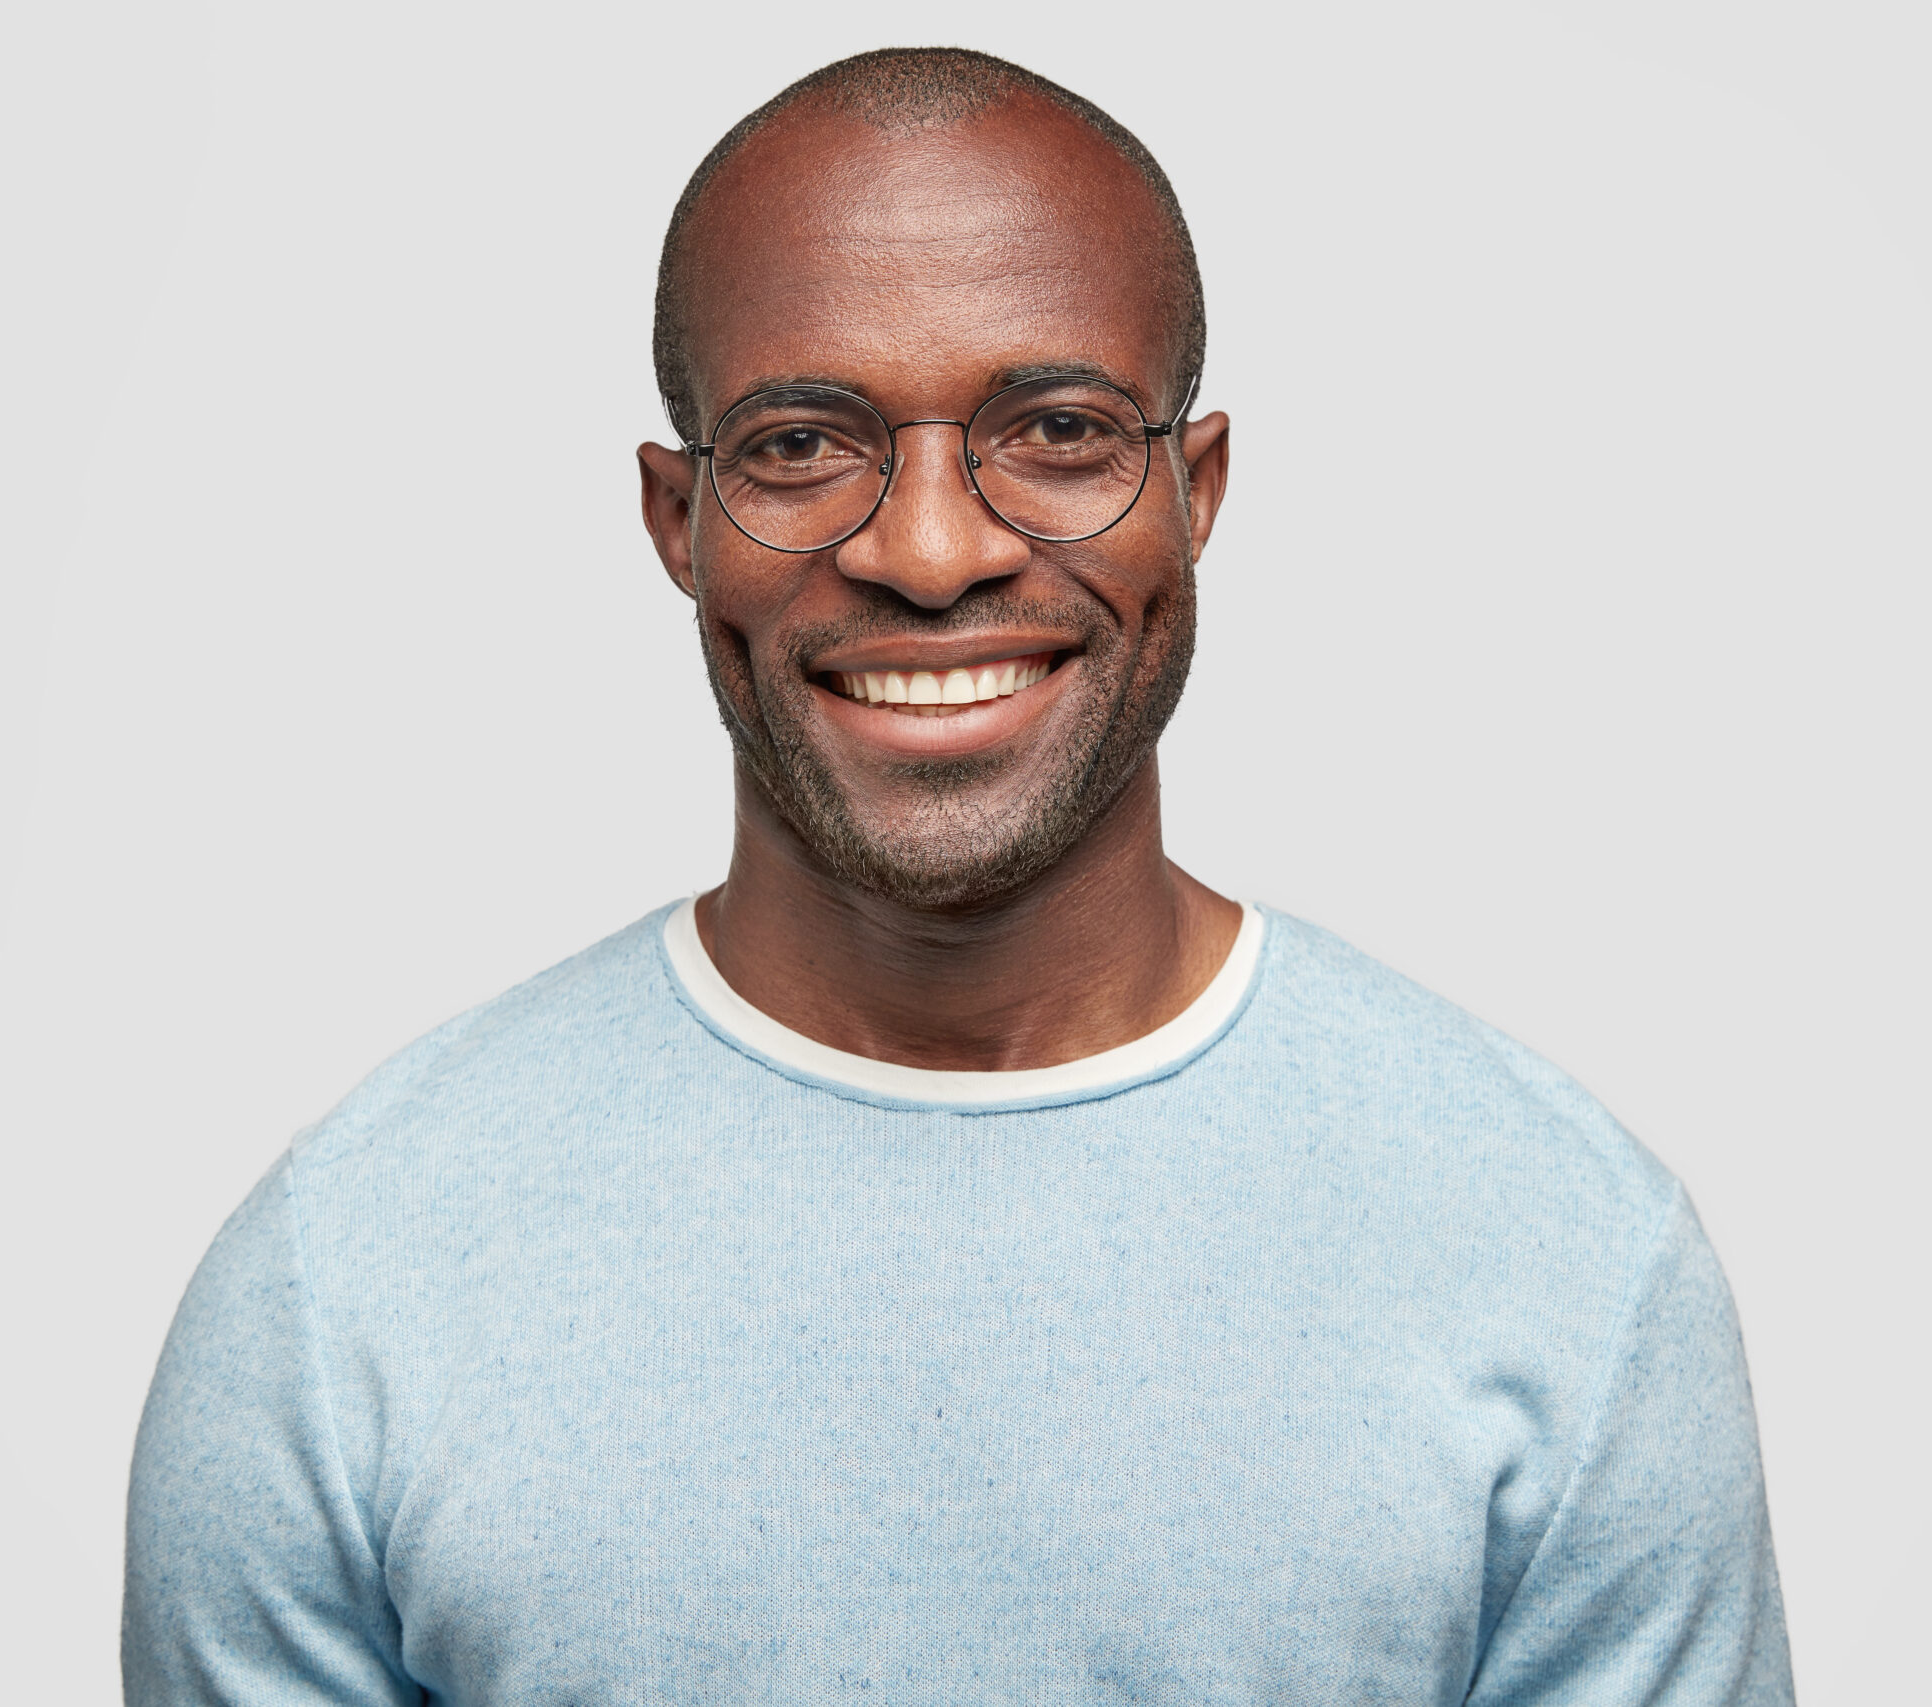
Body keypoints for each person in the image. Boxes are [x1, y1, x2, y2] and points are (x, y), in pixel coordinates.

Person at [123, 46, 1792, 1706]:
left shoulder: (1565, 1257)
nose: (930, 553)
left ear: (1195, 492)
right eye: (800, 444)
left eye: (1059, 431)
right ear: (675, 520)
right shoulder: (343, 1295)